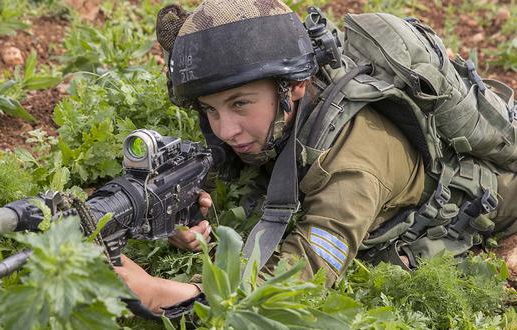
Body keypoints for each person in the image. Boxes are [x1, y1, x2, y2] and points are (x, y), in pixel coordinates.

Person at [114, 0, 517, 315]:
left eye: (239, 104)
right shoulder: (281, 109)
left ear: (295, 88)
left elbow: (304, 273)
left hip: (495, 194)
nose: (224, 129)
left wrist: (172, 296)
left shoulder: (352, 164)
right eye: (210, 110)